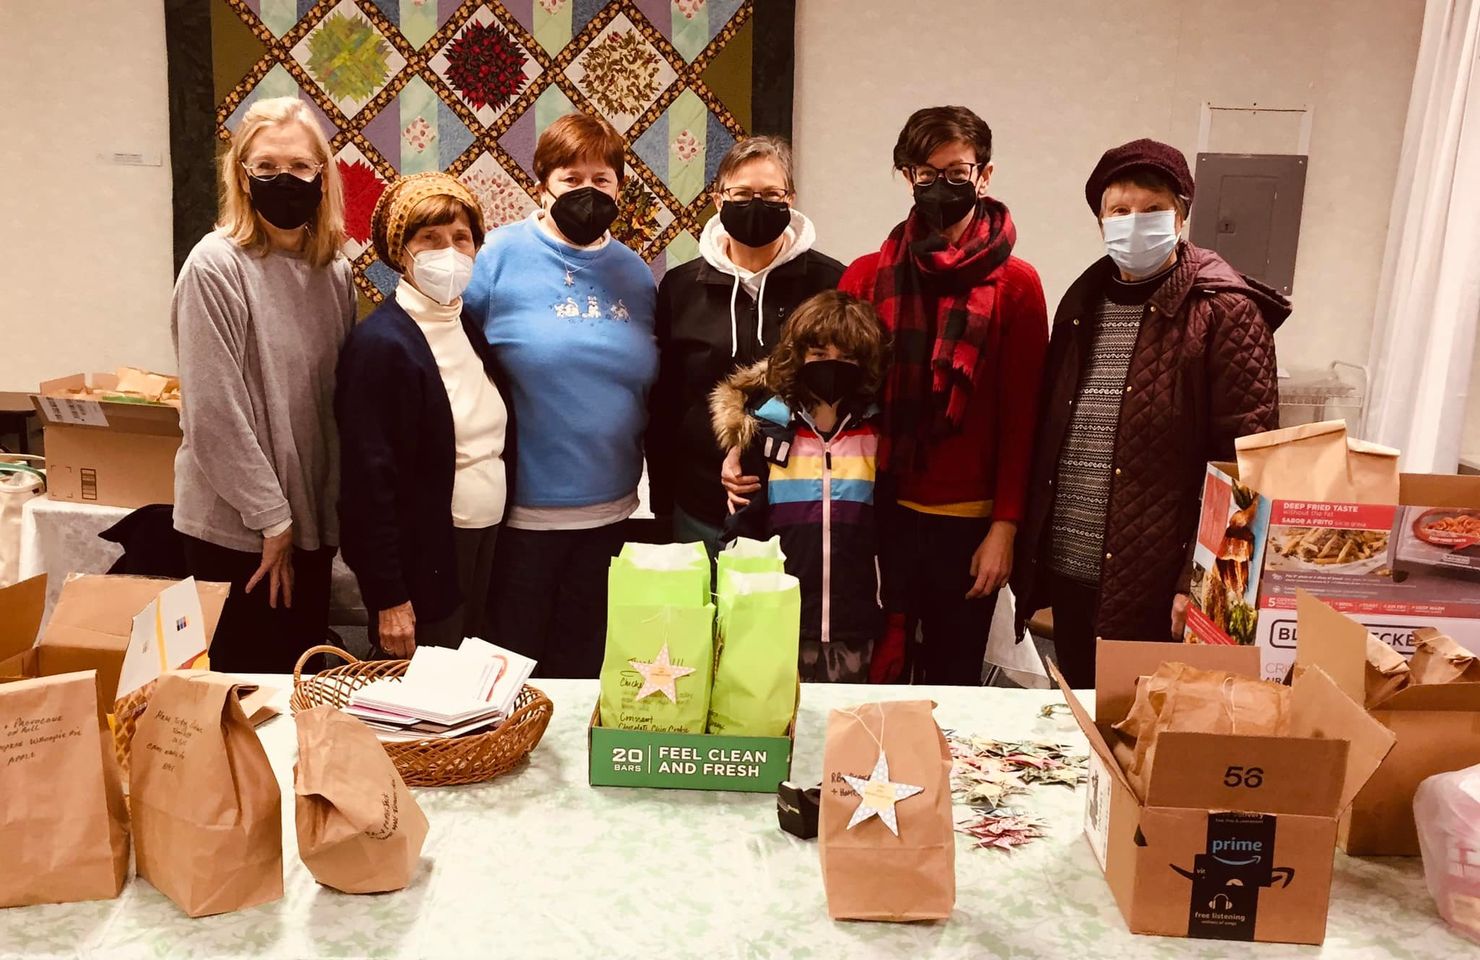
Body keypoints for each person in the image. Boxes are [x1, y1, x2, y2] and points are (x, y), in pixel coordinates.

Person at [782, 105, 1048, 686]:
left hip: (968, 523)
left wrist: (1005, 527)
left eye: (957, 172)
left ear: (985, 175)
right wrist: (744, 440)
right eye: (926, 175)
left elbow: (1024, 417)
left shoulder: (1017, 285)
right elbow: (821, 395)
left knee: (953, 675)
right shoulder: (865, 277)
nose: (941, 187)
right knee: (880, 669)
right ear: (907, 176)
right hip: (882, 514)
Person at [1014, 139, 1288, 690]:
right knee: (1080, 725)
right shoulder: (1081, 301)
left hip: (1160, 582)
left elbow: (1245, 464)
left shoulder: (1223, 311)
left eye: (1152, 209)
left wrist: (1200, 581)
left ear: (1182, 216)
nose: (1134, 223)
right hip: (1072, 563)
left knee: (1144, 733)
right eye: (1120, 211)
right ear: (1100, 220)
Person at [464, 112, 657, 678]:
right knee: (511, 681)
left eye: (603, 179)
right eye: (572, 179)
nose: (588, 192)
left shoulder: (634, 273)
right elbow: (450, 366)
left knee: (588, 675)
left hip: (614, 515)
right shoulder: (495, 259)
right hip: (520, 520)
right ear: (540, 184)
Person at [170, 96, 355, 673]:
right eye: (267, 168)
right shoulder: (214, 267)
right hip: (241, 530)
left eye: (299, 166)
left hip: (307, 523)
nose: (285, 180)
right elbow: (212, 413)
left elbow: (334, 398)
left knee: (301, 685)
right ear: (242, 178)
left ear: (321, 174)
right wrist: (271, 520)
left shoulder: (334, 270)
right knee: (245, 701)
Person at [337, 173, 513, 658]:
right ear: (402, 251)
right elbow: (365, 489)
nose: (450, 252)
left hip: (482, 544)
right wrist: (389, 597)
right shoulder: (382, 346)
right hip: (430, 556)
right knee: (425, 707)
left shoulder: (464, 324)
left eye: (461, 238)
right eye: (430, 239)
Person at [646, 136, 844, 557]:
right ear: (719, 199)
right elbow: (664, 403)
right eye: (741, 194)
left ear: (791, 199)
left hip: (801, 504)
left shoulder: (831, 284)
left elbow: (844, 396)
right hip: (700, 505)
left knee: (785, 622)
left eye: (772, 194)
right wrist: (663, 502)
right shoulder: (681, 287)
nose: (757, 204)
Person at [711, 291, 888, 682]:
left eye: (846, 358)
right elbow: (742, 532)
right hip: (779, 621)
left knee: (848, 732)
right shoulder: (768, 430)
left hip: (856, 622)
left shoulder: (878, 431)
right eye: (820, 355)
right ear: (799, 355)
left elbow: (892, 532)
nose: (832, 367)